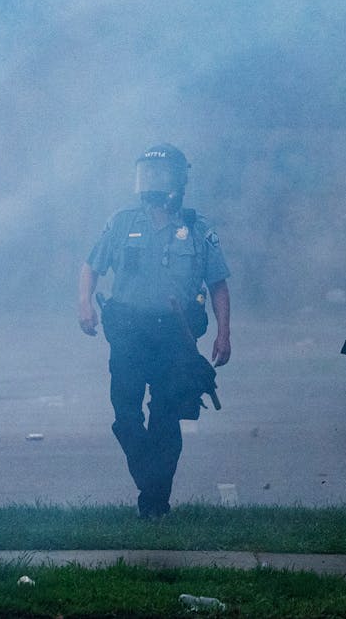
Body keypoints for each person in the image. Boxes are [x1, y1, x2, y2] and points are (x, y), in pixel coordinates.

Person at [78, 144, 231, 520]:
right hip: (128, 330)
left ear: (179, 180)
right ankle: (150, 477)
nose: (151, 182)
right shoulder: (122, 221)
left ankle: (154, 503)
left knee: (165, 415)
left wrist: (223, 333)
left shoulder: (197, 228)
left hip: (175, 336)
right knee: (125, 415)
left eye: (161, 175)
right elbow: (91, 266)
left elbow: (218, 285)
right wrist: (84, 303)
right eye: (147, 173)